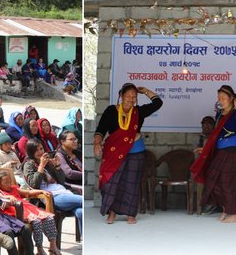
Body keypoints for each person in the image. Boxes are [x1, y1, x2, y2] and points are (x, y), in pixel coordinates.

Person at [94, 83, 162, 224]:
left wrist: (146, 91)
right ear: (121, 96)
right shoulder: (111, 111)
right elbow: (101, 129)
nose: (131, 99)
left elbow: (158, 103)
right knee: (111, 182)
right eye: (128, 96)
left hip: (136, 151)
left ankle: (131, 214)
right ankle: (111, 213)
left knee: (132, 183)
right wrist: (96, 142)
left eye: (134, 96)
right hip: (114, 152)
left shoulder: (139, 112)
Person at [190, 85, 236, 223]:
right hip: (221, 151)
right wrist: (204, 150)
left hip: (234, 152)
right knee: (212, 177)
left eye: (223, 98)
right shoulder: (219, 115)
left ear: (231, 98)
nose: (221, 100)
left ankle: (234, 214)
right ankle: (225, 209)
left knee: (227, 181)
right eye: (219, 98)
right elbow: (215, 136)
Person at [0, 170, 60, 255]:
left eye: (10, 181)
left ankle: (53, 246)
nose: (9, 184)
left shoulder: (14, 188)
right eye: (6, 182)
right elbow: (0, 197)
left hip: (28, 208)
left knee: (49, 219)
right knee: (37, 222)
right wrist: (9, 196)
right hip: (18, 211)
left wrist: (41, 191)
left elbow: (28, 192)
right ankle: (40, 249)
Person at [22, 139, 82, 234]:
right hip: (51, 197)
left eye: (41, 149)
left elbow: (61, 181)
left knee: (81, 212)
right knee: (81, 200)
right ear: (31, 152)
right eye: (36, 150)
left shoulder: (49, 162)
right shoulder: (28, 165)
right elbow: (33, 184)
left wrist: (57, 167)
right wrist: (41, 166)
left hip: (63, 192)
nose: (40, 152)